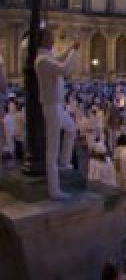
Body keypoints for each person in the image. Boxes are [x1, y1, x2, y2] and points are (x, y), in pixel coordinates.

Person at [34, 29, 79, 200]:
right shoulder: (42, 60)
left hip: (57, 105)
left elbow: (59, 59)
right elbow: (65, 69)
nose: (53, 40)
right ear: (43, 40)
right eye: (49, 37)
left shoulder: (47, 57)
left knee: (71, 129)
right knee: (52, 149)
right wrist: (74, 51)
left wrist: (70, 48)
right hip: (51, 106)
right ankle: (54, 190)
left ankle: (64, 163)